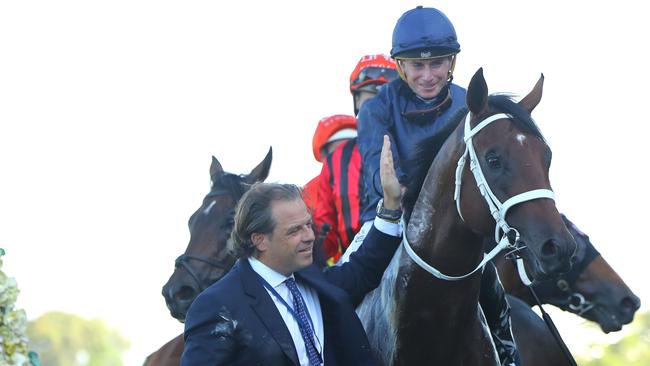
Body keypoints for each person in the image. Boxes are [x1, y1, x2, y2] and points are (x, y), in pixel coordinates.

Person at [341, 6, 520, 366]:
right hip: (386, 219)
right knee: (339, 293)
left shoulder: (468, 103)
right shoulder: (377, 109)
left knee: (488, 278)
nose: (427, 75)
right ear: (400, 66)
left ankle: (506, 347)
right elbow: (379, 167)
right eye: (416, 66)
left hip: (453, 227)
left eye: (436, 63)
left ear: (452, 62)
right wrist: (394, 192)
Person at [181, 136, 403, 365]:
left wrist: (390, 204)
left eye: (308, 224)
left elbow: (363, 268)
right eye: (294, 230)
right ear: (259, 240)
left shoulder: (314, 279)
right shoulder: (215, 305)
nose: (309, 236)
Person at [304, 55, 398, 266]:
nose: (378, 102)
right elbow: (323, 228)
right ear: (356, 100)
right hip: (358, 260)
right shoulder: (336, 159)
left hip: (417, 254)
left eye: (386, 94)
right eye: (371, 94)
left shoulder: (418, 140)